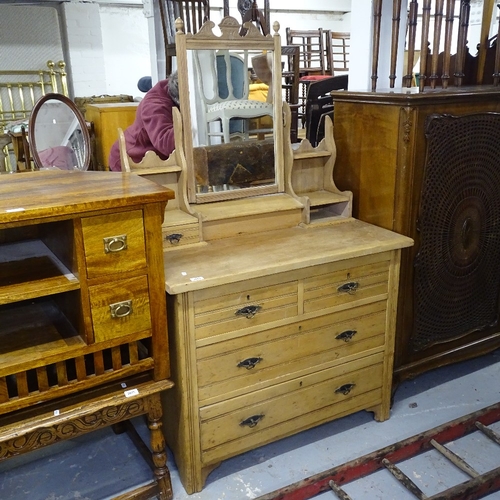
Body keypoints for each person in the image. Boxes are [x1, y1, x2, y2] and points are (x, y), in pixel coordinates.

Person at [108, 72, 179, 172]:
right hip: (130, 162)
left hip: (156, 161)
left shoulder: (177, 85)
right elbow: (166, 142)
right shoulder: (154, 105)